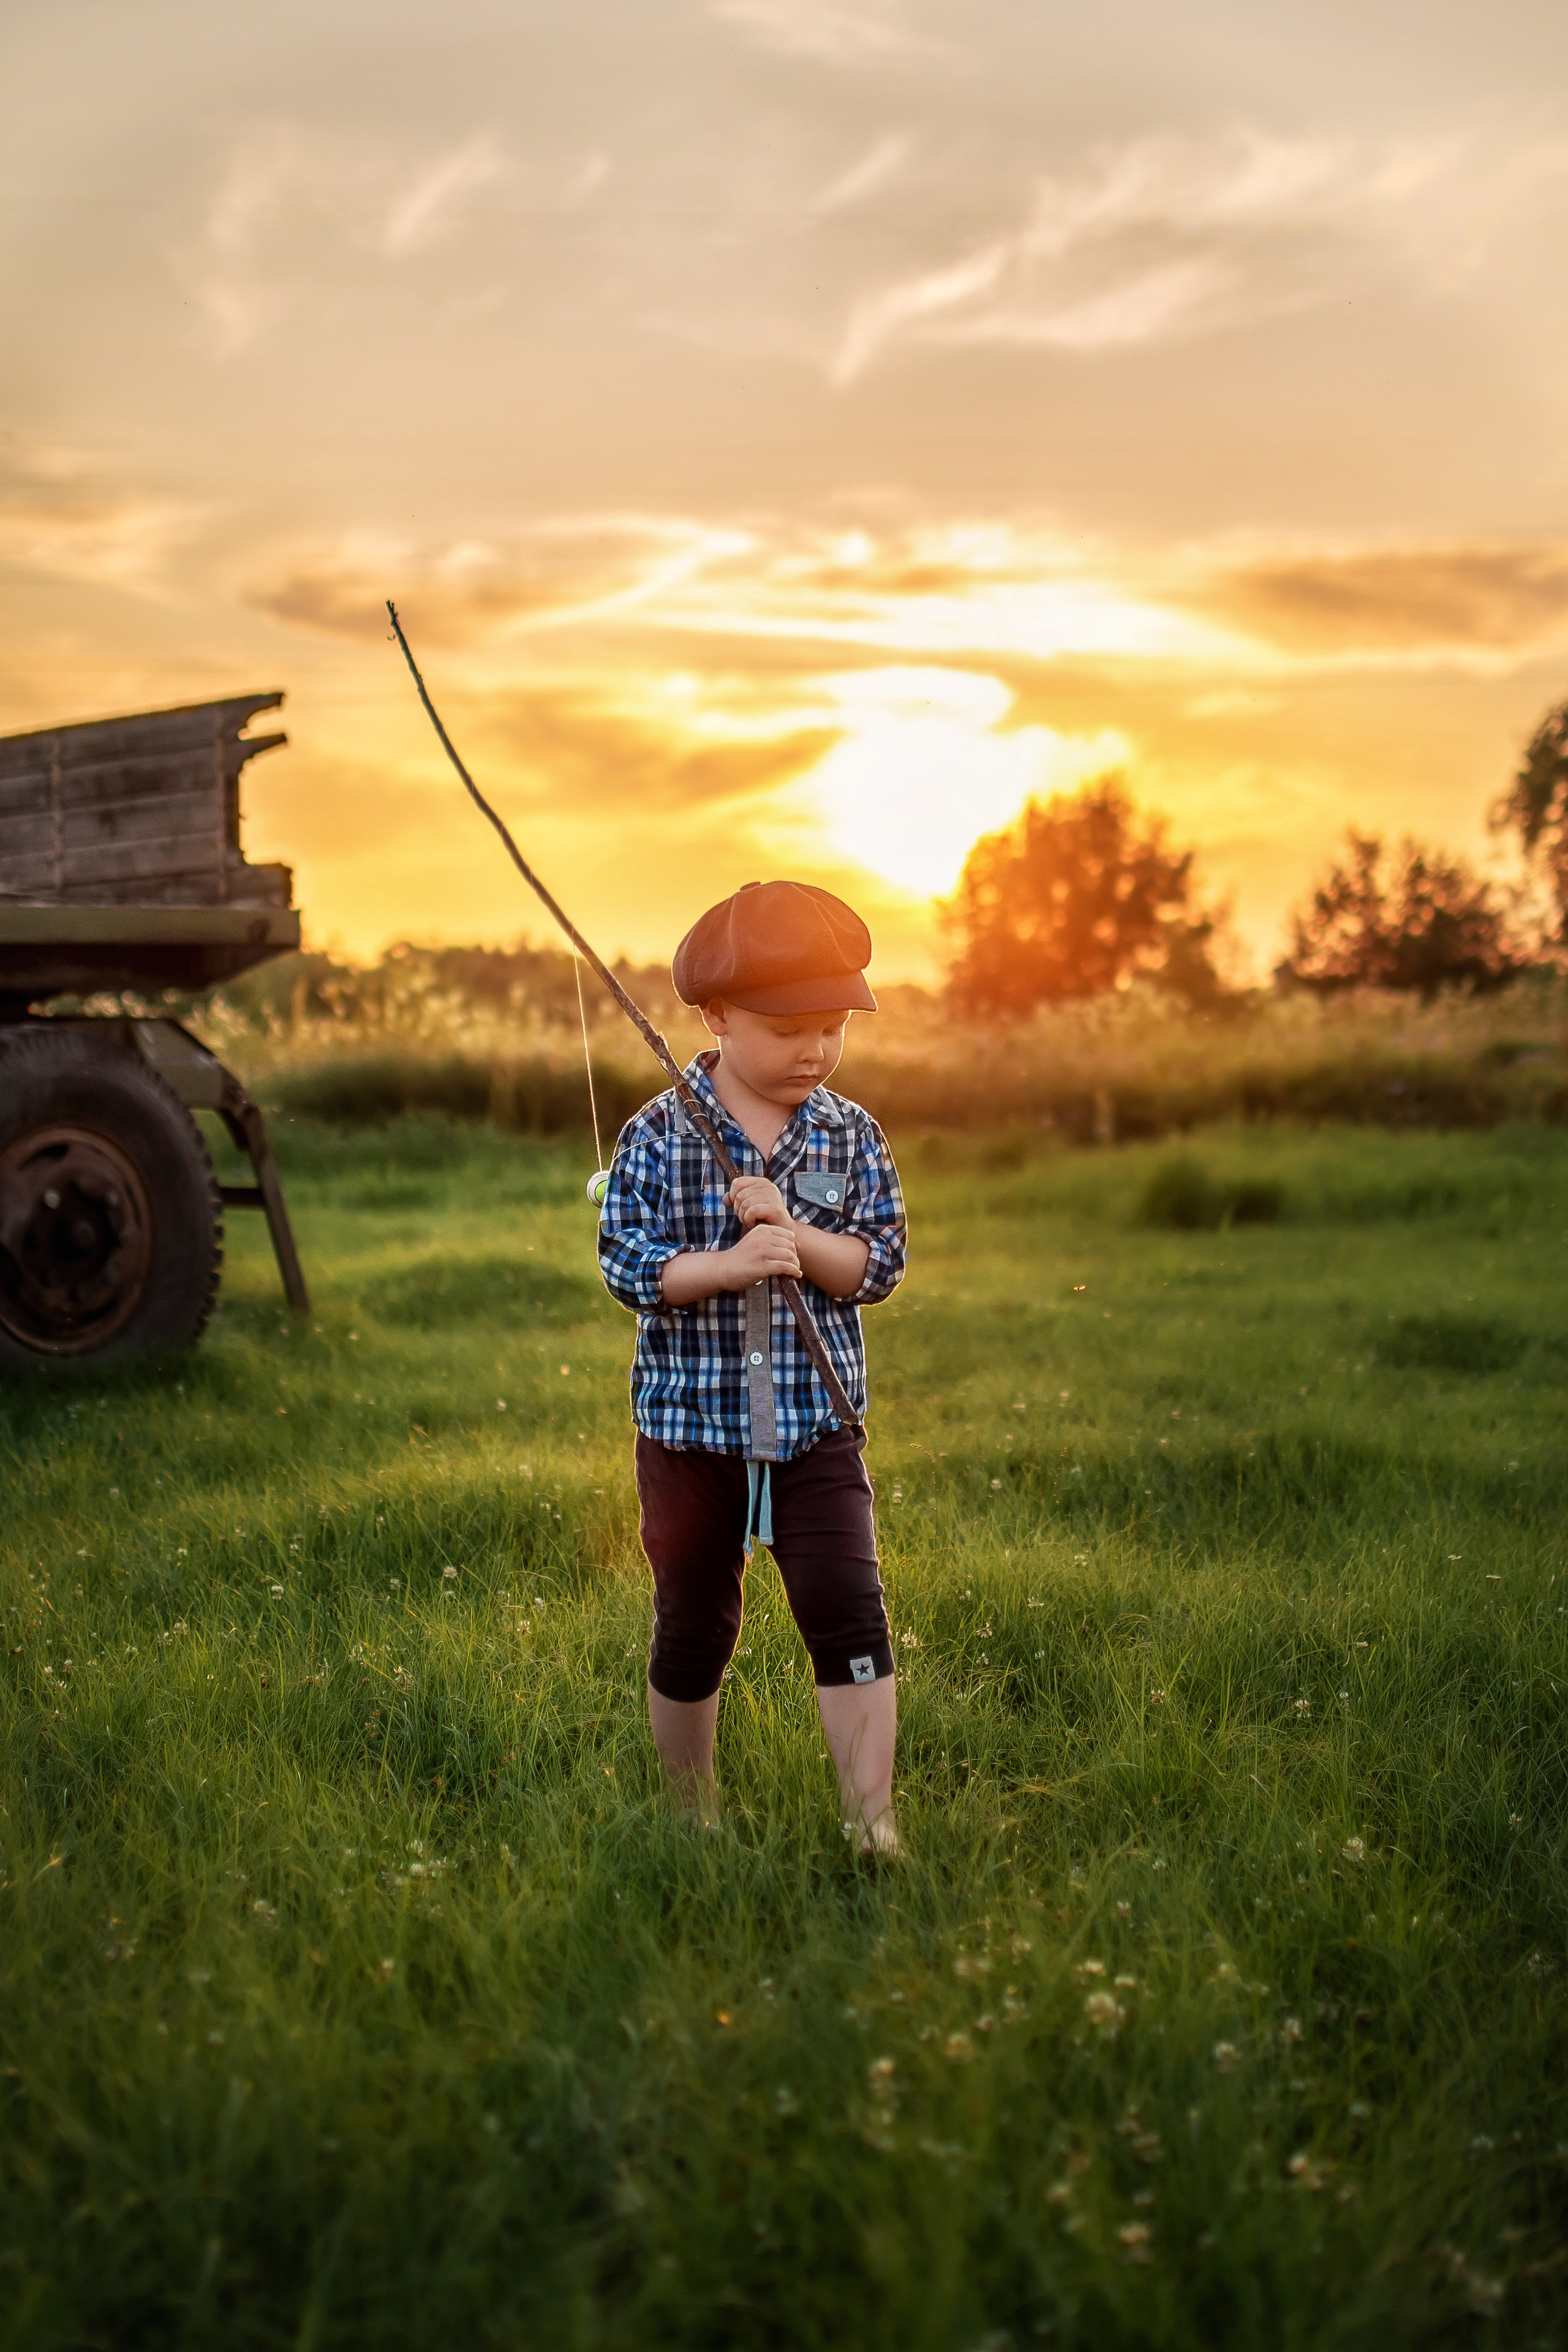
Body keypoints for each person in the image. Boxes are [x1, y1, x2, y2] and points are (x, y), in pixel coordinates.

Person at [597, 880, 908, 1854]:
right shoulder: (658, 1134)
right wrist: (727, 1267)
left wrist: (795, 1236)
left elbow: (878, 1264)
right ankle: (691, 1813)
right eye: (787, 1030)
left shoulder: (850, 1134)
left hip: (816, 1425)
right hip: (692, 1429)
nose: (814, 1050)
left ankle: (872, 1824)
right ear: (719, 1016)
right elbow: (627, 1264)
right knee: (694, 1620)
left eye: (832, 1028)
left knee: (848, 1610)